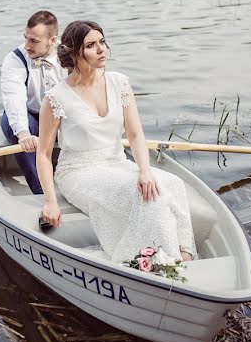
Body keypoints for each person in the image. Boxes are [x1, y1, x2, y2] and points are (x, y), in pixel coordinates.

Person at [35, 20, 197, 264]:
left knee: (171, 183)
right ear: (74, 52)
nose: (101, 49)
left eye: (102, 42)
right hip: (79, 172)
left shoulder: (118, 82)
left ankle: (183, 254)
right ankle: (159, 263)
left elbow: (135, 134)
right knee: (145, 196)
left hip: (117, 162)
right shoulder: (56, 98)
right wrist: (50, 201)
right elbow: (44, 154)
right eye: (91, 45)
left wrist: (144, 170)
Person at [0, 10, 66, 194]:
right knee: (20, 129)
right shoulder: (15, 59)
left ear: (53, 40)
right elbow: (14, 98)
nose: (27, 46)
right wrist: (23, 134)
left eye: (34, 41)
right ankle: (42, 192)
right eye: (26, 38)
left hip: (61, 114)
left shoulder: (68, 55)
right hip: (30, 116)